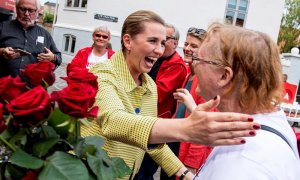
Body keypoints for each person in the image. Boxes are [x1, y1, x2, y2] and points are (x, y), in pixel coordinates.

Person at [81, 10, 260, 180]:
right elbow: (113, 121)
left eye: (162, 43)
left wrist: (185, 174)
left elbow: (152, 143)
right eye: (152, 41)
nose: (159, 50)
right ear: (127, 41)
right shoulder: (101, 74)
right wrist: (185, 128)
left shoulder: (149, 85)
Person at [172, 22, 299, 179]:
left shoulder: (244, 163)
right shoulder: (259, 125)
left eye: (198, 58)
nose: (194, 64)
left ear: (224, 76)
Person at [137, 23, 187, 180]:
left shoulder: (177, 65)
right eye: (159, 39)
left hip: (158, 124)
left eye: (166, 39)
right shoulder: (158, 58)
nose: (162, 43)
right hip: (146, 120)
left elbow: (158, 94)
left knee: (145, 169)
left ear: (175, 43)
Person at [173, 27, 213, 176]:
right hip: (176, 146)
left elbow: (204, 127)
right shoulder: (189, 75)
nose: (187, 49)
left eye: (194, 46)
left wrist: (191, 164)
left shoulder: (205, 81)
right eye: (186, 44)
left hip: (188, 154)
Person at [0, 0, 61, 77]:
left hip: (32, 87)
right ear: (16, 9)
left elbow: (59, 57)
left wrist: (53, 57)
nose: (26, 14)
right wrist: (1, 51)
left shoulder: (45, 34)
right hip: (5, 86)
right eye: (22, 9)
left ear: (37, 12)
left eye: (31, 10)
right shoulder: (2, 28)